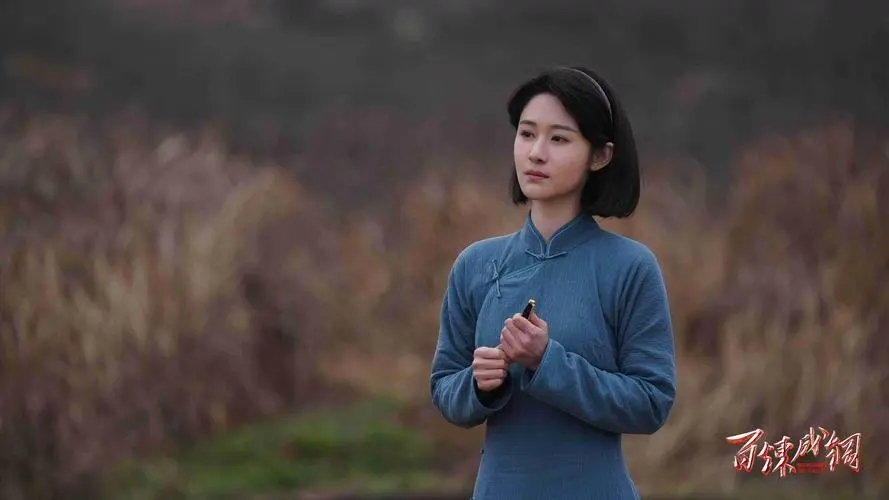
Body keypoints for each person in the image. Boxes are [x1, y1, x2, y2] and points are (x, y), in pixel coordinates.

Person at [429, 66, 677, 499]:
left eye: (559, 139)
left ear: (600, 156)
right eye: (527, 134)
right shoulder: (476, 264)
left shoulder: (630, 267)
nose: (536, 153)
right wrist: (479, 383)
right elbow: (444, 387)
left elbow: (651, 402)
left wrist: (548, 362)